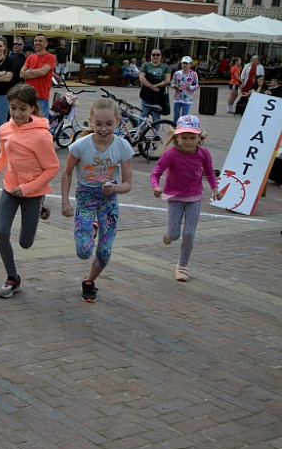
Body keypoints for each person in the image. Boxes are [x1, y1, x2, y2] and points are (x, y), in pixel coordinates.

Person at [0, 84, 60, 299]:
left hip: (32, 191)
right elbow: (5, 155)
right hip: (10, 187)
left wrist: (27, 189)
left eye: (23, 109)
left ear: (32, 108)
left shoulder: (42, 137)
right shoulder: (5, 129)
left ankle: (40, 206)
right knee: (1, 231)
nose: (17, 114)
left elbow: (53, 168)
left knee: (26, 242)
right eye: (13, 108)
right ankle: (12, 278)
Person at [60, 97, 134, 303]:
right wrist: (65, 201)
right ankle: (91, 226)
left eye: (109, 124)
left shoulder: (123, 147)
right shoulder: (80, 146)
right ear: (91, 121)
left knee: (104, 251)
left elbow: (128, 184)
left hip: (108, 201)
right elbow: (66, 173)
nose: (103, 129)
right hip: (85, 197)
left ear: (117, 122)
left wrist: (116, 187)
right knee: (83, 252)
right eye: (99, 124)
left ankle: (90, 281)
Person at [150, 115, 221, 283]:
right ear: (177, 137)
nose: (188, 141)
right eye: (183, 137)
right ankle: (169, 233)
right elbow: (156, 173)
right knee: (174, 235)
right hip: (174, 198)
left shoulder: (204, 154)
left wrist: (215, 189)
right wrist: (156, 187)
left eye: (192, 137)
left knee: (189, 233)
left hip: (195, 198)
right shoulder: (171, 155)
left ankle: (182, 266)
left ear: (199, 138)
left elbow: (210, 172)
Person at [20, 34, 57, 118]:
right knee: (27, 123)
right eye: (36, 41)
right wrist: (37, 73)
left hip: (41, 96)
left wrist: (29, 71)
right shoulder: (30, 57)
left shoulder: (50, 57)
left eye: (40, 41)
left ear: (46, 44)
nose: (37, 43)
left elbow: (43, 72)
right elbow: (21, 74)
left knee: (40, 125)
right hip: (28, 96)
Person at [138, 49, 171, 121]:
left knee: (156, 116)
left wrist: (157, 85)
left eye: (158, 54)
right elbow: (141, 77)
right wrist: (151, 86)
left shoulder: (165, 67)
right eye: (153, 54)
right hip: (146, 94)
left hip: (158, 95)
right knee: (144, 113)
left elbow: (167, 80)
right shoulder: (145, 65)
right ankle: (140, 131)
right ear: (151, 56)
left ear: (161, 56)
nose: (155, 56)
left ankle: (155, 132)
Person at [170, 56, 199, 124]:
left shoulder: (193, 74)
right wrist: (175, 86)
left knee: (184, 116)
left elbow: (197, 86)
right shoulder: (177, 73)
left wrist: (191, 87)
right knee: (176, 116)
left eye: (186, 63)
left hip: (187, 99)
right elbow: (172, 83)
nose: (184, 65)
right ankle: (175, 129)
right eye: (183, 63)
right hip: (178, 98)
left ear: (190, 65)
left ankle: (182, 129)